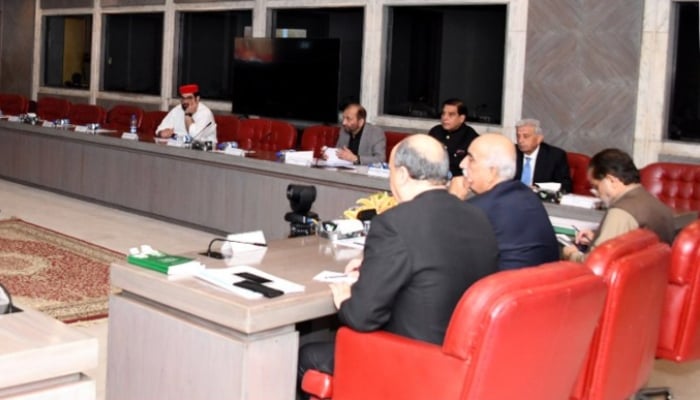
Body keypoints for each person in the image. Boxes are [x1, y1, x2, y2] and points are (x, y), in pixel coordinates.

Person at [297, 134, 499, 393]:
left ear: (402, 174)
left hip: (412, 365)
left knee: (308, 356)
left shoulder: (395, 223)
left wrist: (346, 298)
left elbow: (362, 317)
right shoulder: (478, 218)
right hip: (464, 366)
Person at [461, 133, 560, 270]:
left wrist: (453, 200)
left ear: (492, 172)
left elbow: (443, 251)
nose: (462, 164)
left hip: (503, 288)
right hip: (543, 286)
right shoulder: (528, 195)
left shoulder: (476, 210)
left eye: (471, 159)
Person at [562, 148, 675, 262]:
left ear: (611, 180)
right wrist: (597, 236)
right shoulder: (657, 204)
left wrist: (572, 254)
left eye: (596, 186)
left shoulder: (621, 213)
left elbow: (597, 263)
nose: (596, 193)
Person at [429, 98, 479, 199]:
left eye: (451, 114)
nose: (445, 118)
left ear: (461, 118)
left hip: (460, 188)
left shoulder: (471, 137)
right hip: (434, 183)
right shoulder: (435, 132)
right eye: (443, 114)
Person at [513, 118, 573, 193]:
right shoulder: (510, 151)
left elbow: (565, 186)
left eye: (526, 136)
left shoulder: (555, 156)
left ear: (539, 139)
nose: (520, 140)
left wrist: (540, 188)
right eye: (518, 136)